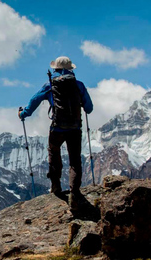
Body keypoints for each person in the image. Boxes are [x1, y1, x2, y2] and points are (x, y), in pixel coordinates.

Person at [18, 56, 93, 211]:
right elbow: (89, 108)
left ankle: (56, 186)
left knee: (53, 152)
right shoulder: (79, 85)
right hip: (74, 128)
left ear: (55, 69)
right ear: (70, 69)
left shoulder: (50, 85)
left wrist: (23, 114)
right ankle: (75, 192)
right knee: (75, 161)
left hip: (57, 127)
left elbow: (33, 102)